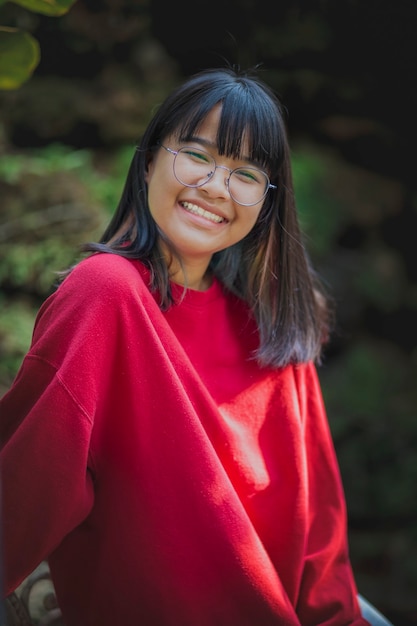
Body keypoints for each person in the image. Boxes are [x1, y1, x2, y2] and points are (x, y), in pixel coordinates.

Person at [0, 66, 369, 626]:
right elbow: (24, 490)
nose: (217, 188)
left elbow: (322, 546)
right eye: (197, 156)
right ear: (149, 160)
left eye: (246, 173)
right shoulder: (107, 295)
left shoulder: (273, 324)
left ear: (266, 203)